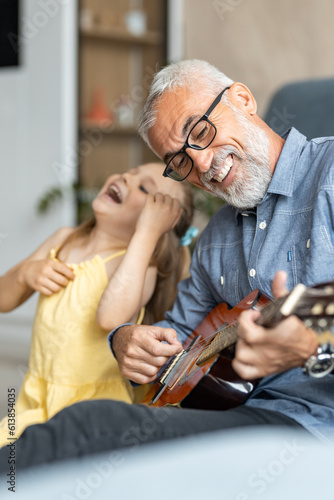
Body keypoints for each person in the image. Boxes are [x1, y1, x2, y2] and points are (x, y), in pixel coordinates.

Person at [1, 59, 334, 472]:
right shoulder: (216, 237)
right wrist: (125, 340)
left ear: (243, 99)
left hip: (313, 428)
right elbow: (175, 336)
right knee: (77, 437)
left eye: (199, 131)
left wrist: (315, 350)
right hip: (242, 418)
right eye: (178, 162)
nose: (200, 164)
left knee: (86, 428)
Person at [0, 162, 194, 447]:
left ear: (157, 222)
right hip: (35, 397)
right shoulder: (64, 239)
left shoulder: (140, 265)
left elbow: (110, 318)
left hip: (93, 408)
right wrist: (27, 273)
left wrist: (147, 234)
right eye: (129, 172)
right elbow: (4, 300)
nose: (125, 177)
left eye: (143, 188)